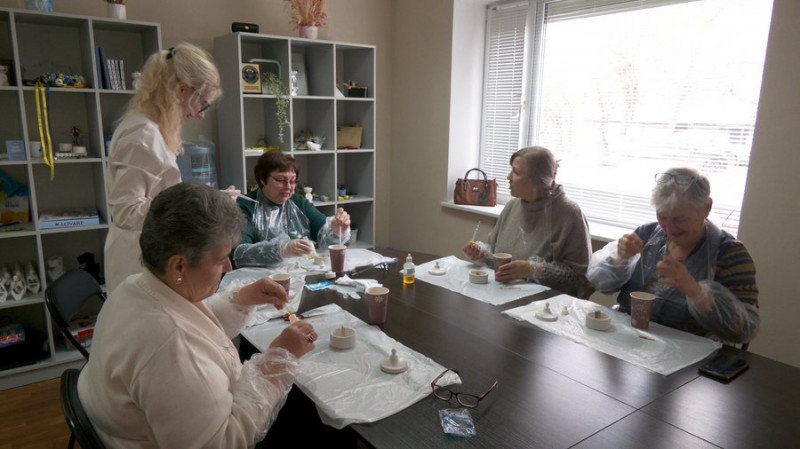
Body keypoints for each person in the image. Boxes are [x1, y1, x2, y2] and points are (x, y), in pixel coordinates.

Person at [79, 183, 318, 448]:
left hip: (130, 424)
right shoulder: (171, 349)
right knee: (307, 416)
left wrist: (242, 298)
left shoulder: (139, 286)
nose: (228, 266)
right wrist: (278, 361)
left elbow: (195, 324)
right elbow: (223, 442)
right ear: (179, 265)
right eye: (220, 259)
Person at [586, 167, 759, 344]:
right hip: (630, 341)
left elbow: (744, 332)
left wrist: (695, 291)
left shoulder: (730, 254)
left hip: (688, 354)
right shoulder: (646, 234)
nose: (669, 228)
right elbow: (603, 286)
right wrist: (620, 259)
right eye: (662, 217)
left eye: (680, 219)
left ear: (706, 208)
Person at [104, 42, 221, 293]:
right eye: (203, 103)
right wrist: (188, 204)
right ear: (181, 90)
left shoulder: (153, 127)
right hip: (138, 262)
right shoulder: (142, 135)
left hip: (152, 254)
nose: (201, 115)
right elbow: (126, 211)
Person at [462, 146, 593, 298]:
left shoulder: (569, 213)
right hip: (504, 296)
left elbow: (580, 279)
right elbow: (498, 256)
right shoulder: (512, 206)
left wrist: (532, 269)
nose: (508, 177)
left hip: (547, 308)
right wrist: (482, 253)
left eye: (516, 172)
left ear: (537, 180)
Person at [233, 151, 351, 268]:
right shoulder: (245, 205)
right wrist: (281, 250)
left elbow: (324, 238)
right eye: (280, 180)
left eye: (293, 181)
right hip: (260, 280)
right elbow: (239, 255)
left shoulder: (298, 202)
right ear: (262, 179)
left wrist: (336, 231)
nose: (288, 187)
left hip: (300, 273)